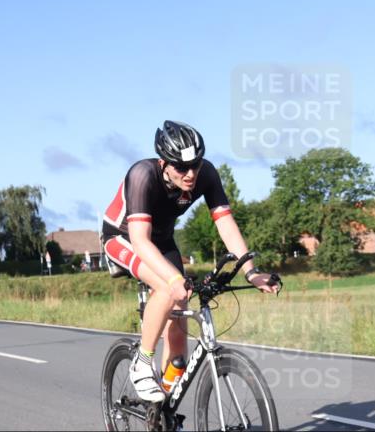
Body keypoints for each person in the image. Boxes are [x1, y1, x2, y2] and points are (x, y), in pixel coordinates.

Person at [101, 120, 280, 402]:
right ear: (164, 163)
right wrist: (172, 279)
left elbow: (225, 224)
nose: (190, 173)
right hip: (124, 238)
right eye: (181, 167)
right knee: (166, 287)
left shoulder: (206, 173)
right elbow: (140, 241)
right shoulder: (142, 174)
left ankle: (164, 411)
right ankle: (142, 363)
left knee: (180, 311)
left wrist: (250, 271)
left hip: (163, 241)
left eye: (195, 164)